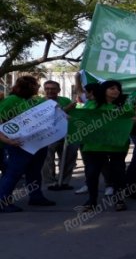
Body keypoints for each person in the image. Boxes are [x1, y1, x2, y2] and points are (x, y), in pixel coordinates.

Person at [0, 76, 56, 213]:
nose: (38, 87)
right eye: (35, 85)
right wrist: (6, 140)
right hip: (19, 144)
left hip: (36, 143)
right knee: (13, 173)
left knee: (35, 172)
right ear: (27, 86)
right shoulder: (11, 100)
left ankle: (36, 197)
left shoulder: (31, 101)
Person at [79, 80, 132, 212]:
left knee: (118, 173)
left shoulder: (123, 106)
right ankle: (92, 200)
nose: (116, 91)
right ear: (104, 90)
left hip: (117, 145)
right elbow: (81, 120)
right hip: (94, 145)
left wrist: (133, 120)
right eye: (112, 88)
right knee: (92, 173)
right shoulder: (92, 105)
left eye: (118, 89)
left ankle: (119, 199)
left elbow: (133, 120)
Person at [41, 80, 78, 191]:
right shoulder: (39, 102)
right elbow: (47, 117)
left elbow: (73, 115)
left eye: (53, 88)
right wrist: (66, 109)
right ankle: (50, 183)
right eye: (47, 88)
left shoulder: (65, 100)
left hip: (67, 133)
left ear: (58, 90)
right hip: (48, 135)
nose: (50, 91)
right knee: (47, 159)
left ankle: (64, 182)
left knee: (69, 157)